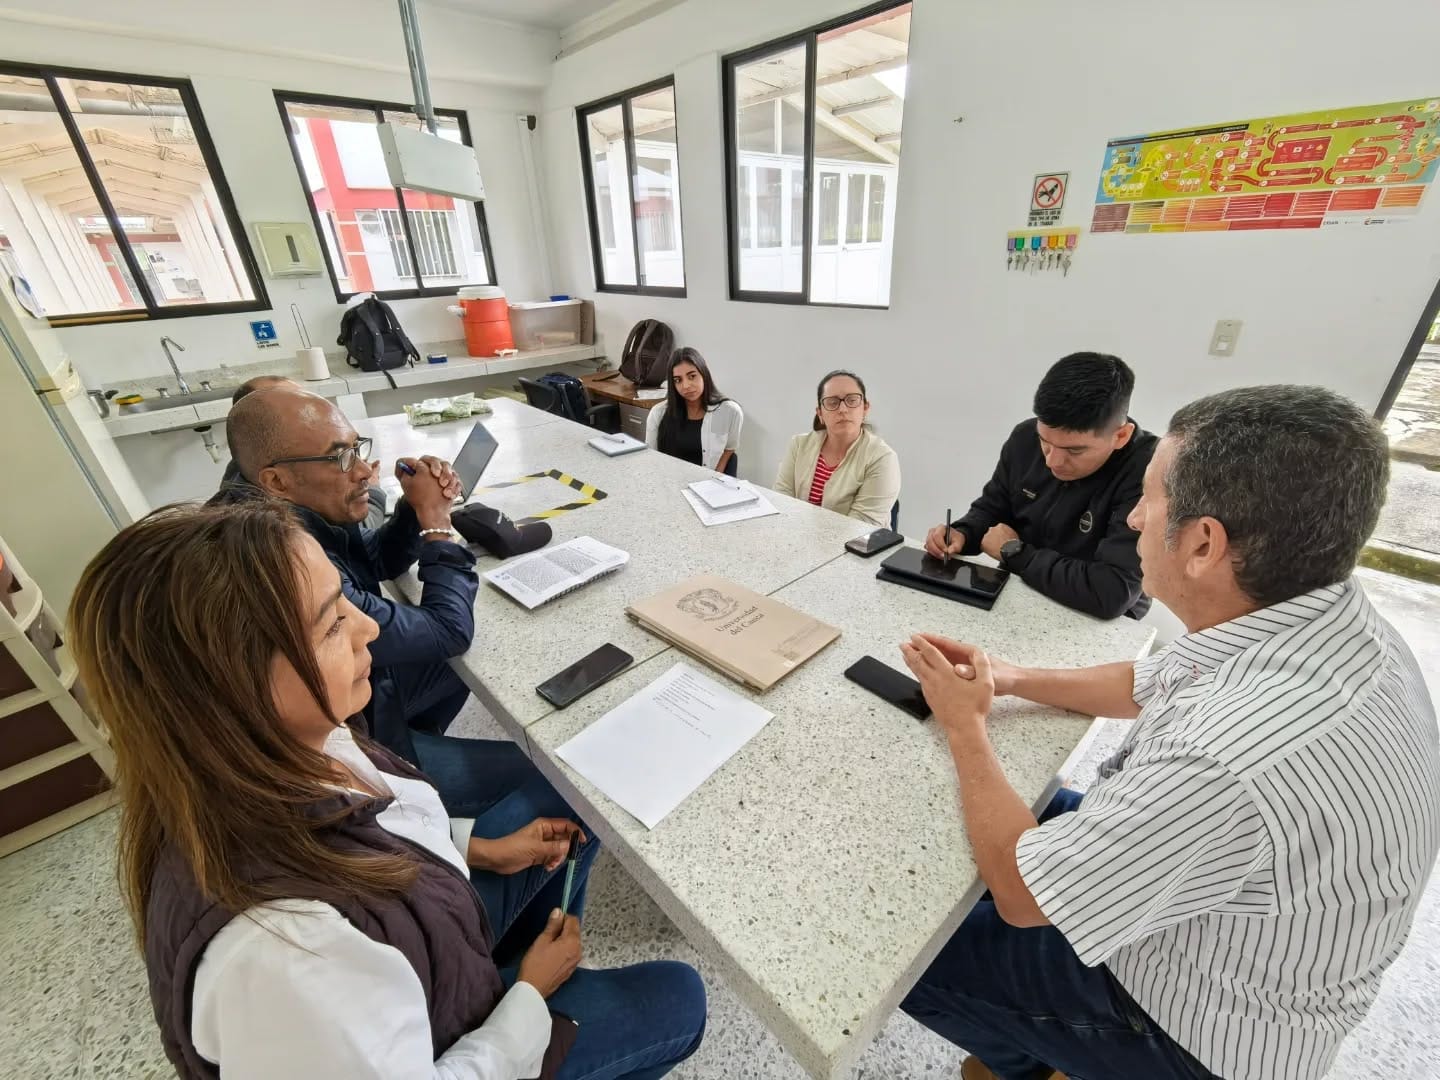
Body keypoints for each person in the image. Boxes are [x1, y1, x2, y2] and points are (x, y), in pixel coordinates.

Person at [896, 385, 1439, 1080]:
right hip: (1233, 904)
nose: (1132, 517)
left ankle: (1033, 1063)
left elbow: (1023, 896)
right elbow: (1147, 681)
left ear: (1204, 543)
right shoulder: (1315, 613)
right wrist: (1008, 677)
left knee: (905, 953)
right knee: (994, 813)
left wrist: (966, 727)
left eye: (1148, 502)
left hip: (1194, 1022)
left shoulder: (1231, 753)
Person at [69, 500, 707, 1079]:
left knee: (568, 799)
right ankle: (529, 985)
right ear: (232, 687)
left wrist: (480, 848)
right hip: (455, 1043)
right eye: (329, 624)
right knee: (681, 998)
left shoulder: (296, 743)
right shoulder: (286, 956)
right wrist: (529, 997)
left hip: (427, 946)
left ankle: (507, 965)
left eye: (344, 601)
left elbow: (374, 821)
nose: (367, 628)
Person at [211, 387, 472, 765]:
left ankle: (417, 737)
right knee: (536, 776)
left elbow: (371, 559)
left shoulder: (273, 501)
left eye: (357, 448)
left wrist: (413, 510)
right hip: (340, 749)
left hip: (355, 699)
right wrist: (437, 527)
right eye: (341, 458)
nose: (365, 471)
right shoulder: (283, 559)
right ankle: (404, 768)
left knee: (456, 657)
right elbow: (448, 631)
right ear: (277, 480)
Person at [924, 352, 1156, 619]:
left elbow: (1111, 592)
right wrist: (963, 533)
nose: (1052, 461)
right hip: (1022, 585)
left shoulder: (1151, 470)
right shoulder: (1024, 437)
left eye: (1075, 451)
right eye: (1045, 442)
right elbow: (992, 509)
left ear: (1121, 436)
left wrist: (1015, 552)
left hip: (1100, 618)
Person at [217, 375, 385, 528]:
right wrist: (375, 492)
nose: (308, 409)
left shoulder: (249, 470)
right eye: (289, 403)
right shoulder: (282, 540)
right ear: (276, 481)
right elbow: (363, 533)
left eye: (306, 398)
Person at [774, 369, 900, 527]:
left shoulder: (882, 457)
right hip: (797, 536)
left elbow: (860, 527)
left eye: (852, 400)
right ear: (820, 413)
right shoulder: (799, 444)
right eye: (832, 402)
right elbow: (782, 500)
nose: (843, 409)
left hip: (856, 542)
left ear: (865, 408)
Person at [644, 347, 744, 475]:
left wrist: (714, 477)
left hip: (709, 481)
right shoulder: (658, 413)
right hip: (670, 479)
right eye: (678, 380)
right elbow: (652, 457)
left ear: (704, 374)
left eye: (692, 376)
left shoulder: (730, 411)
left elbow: (729, 449)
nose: (686, 386)